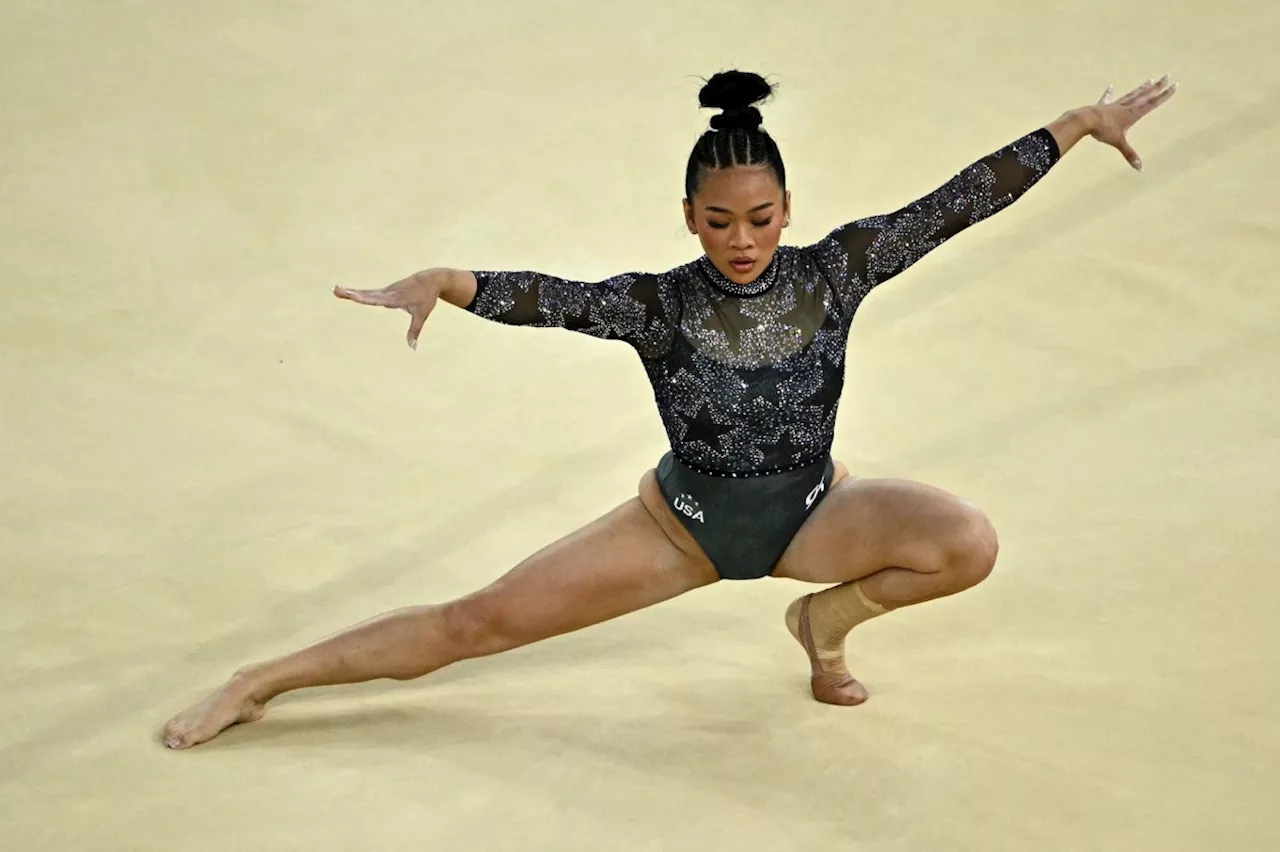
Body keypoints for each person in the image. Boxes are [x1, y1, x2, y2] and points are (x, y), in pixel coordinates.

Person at [162, 70, 1176, 750]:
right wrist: (446, 277)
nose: (742, 240)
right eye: (720, 221)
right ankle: (265, 679)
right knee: (475, 622)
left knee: (964, 540)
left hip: (816, 511)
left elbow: (953, 204)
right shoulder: (658, 303)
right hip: (682, 528)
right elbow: (546, 298)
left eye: (761, 217)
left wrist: (1075, 127)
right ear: (689, 217)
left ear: (789, 208)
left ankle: (823, 622)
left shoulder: (839, 269)